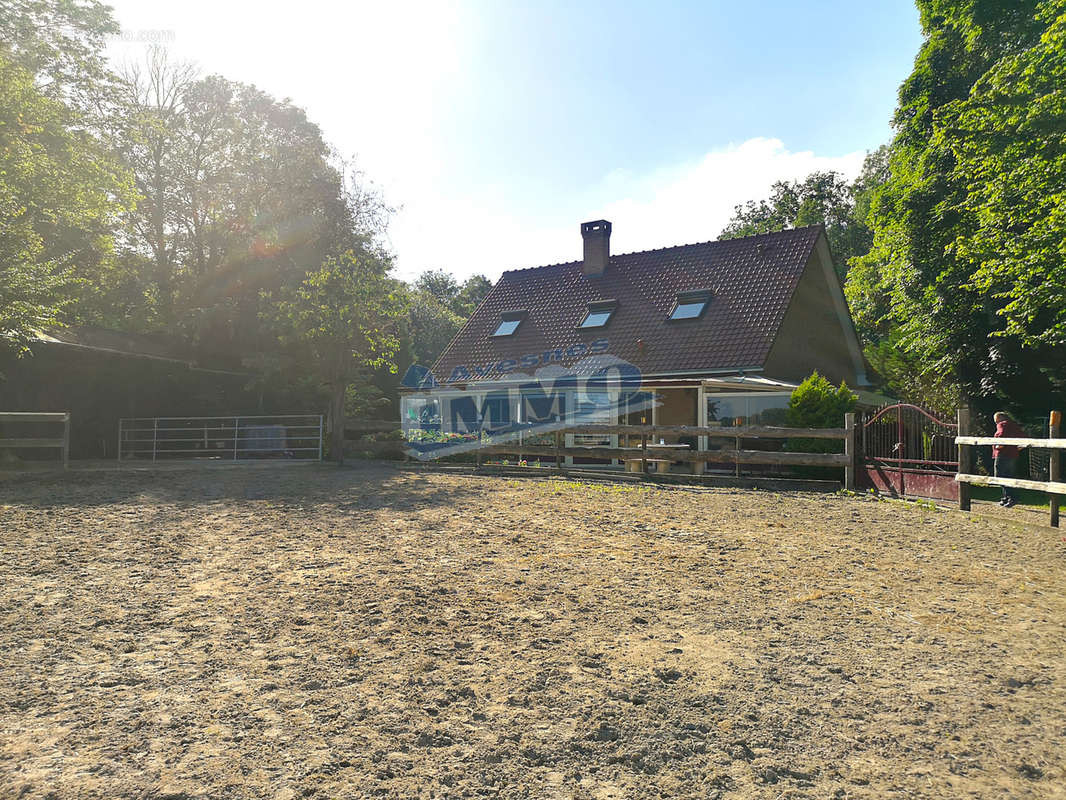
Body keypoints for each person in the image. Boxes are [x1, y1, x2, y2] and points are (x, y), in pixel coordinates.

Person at [993, 411, 1025, 507]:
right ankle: (1007, 497)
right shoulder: (1014, 425)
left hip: (1003, 454)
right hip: (1013, 455)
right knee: (1009, 475)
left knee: (999, 475)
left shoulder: (1002, 424)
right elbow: (1023, 437)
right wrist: (1018, 448)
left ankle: (1012, 497)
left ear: (999, 418)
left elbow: (1001, 435)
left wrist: (999, 446)